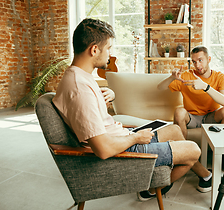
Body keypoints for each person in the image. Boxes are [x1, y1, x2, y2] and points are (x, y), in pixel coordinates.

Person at [52, 19, 215, 203]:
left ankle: (202, 176)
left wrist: (110, 95)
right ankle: (154, 187)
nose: (110, 55)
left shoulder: (80, 76)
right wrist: (135, 138)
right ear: (94, 50)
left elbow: (91, 111)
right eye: (109, 48)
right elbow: (103, 149)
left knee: (175, 130)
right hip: (122, 148)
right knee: (193, 150)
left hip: (122, 137)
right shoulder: (79, 87)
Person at [157, 46, 224, 176]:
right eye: (194, 61)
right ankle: (183, 154)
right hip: (192, 117)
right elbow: (160, 88)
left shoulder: (219, 77)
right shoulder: (187, 76)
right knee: (179, 112)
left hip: (211, 116)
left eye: (200, 60)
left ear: (209, 59)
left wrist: (205, 87)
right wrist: (172, 77)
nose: (197, 65)